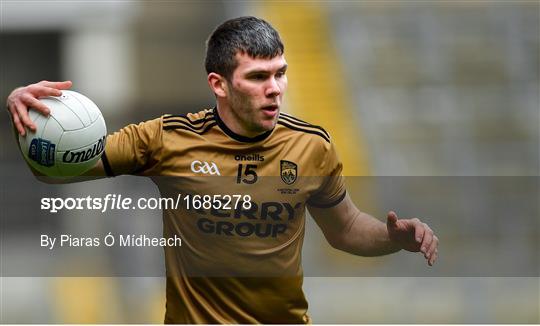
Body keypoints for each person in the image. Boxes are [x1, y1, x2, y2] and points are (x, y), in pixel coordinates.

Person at [6, 16, 438, 324]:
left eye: (280, 74)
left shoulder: (311, 146)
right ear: (219, 84)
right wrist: (25, 119)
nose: (274, 89)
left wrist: (393, 238)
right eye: (257, 77)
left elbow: (345, 231)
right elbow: (60, 172)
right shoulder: (165, 138)